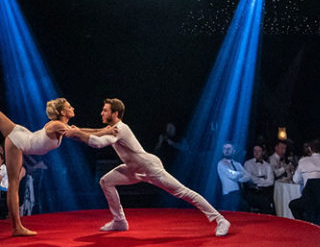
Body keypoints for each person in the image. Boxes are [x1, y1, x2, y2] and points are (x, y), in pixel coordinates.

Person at [0, 68, 89, 236]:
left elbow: (79, 132)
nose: (72, 107)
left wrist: (105, 132)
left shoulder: (58, 126)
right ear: (61, 112)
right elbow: (80, 134)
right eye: (69, 106)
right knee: (13, 186)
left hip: (22, 133)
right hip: (19, 142)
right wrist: (106, 132)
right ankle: (16, 227)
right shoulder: (57, 125)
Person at [74, 98, 229, 236]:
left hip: (149, 167)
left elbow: (98, 142)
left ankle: (220, 220)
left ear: (115, 113)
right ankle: (119, 221)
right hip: (133, 169)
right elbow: (97, 133)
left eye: (105, 110)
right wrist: (74, 131)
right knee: (106, 181)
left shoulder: (120, 128)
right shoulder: (113, 129)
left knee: (183, 192)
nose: (101, 113)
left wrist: (74, 133)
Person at [241, 144, 275, 213]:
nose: (256, 153)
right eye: (254, 151)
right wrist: (263, 179)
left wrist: (257, 180)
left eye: (259, 151)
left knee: (268, 205)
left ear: (263, 152)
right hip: (252, 191)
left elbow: (271, 181)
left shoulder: (268, 166)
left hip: (264, 192)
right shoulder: (248, 164)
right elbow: (250, 179)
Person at [215, 143, 249, 211]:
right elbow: (232, 175)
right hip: (229, 195)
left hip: (239, 193)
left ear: (234, 151)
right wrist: (241, 174)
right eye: (224, 148)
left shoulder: (237, 164)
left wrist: (239, 177)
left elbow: (248, 176)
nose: (227, 150)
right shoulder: (221, 163)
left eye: (229, 148)